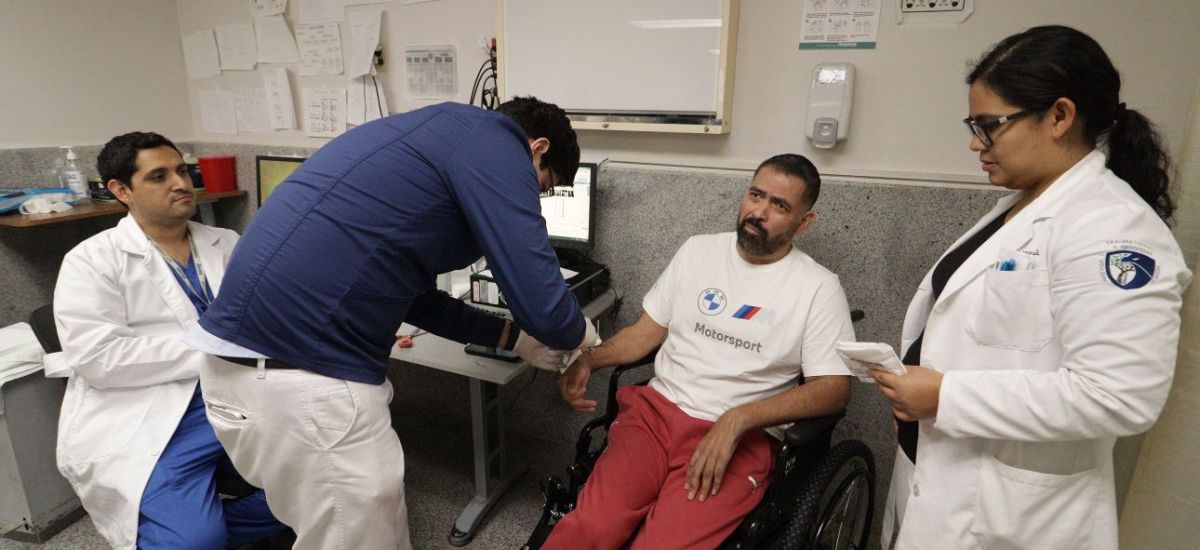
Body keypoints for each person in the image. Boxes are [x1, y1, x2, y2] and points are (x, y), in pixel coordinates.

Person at [185, 97, 599, 549]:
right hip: (306, 382)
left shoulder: (434, 129)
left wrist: (515, 339)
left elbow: (416, 299)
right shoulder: (499, 143)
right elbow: (545, 308)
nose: (533, 195)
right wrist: (583, 337)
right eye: (542, 186)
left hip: (238, 374)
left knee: (334, 530)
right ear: (537, 148)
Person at [871, 26, 1192, 550]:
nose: (976, 142)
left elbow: (1118, 395)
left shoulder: (1113, 229)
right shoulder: (1025, 205)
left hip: (1012, 519)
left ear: (1060, 117)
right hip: (941, 479)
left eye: (990, 124)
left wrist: (944, 394)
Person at [546, 154, 855, 549]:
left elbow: (833, 388)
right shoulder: (698, 252)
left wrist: (739, 419)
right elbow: (644, 333)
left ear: (804, 222)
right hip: (655, 418)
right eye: (755, 195)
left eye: (779, 206)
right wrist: (589, 358)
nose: (758, 212)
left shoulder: (817, 288)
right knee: (590, 529)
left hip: (737, 439)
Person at [53, 132, 286, 549]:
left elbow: (263, 316)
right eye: (158, 176)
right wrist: (218, 347)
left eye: (182, 170)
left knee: (319, 487)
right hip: (156, 416)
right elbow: (98, 358)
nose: (180, 183)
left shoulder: (226, 243)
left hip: (237, 401)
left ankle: (201, 525)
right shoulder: (91, 260)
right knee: (197, 540)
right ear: (121, 190)